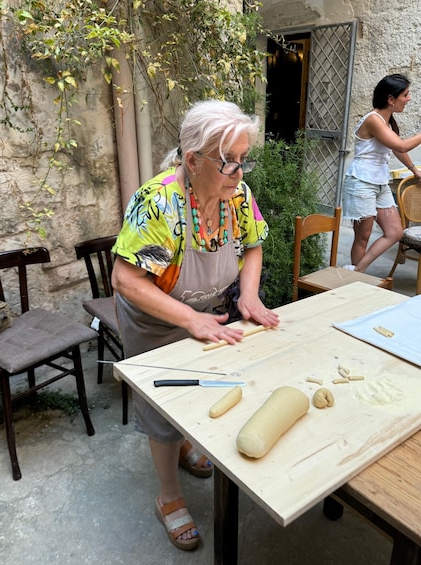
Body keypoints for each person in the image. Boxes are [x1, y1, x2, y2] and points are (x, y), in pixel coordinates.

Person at [111, 100, 279, 551]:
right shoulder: (159, 202)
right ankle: (168, 496)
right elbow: (126, 279)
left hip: (208, 313)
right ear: (192, 160)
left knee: (198, 390)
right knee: (162, 410)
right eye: (229, 162)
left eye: (244, 161)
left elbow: (254, 245)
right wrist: (190, 320)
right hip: (155, 320)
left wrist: (248, 295)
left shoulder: (236, 195)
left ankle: (186, 447)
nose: (239, 173)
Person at [342, 73, 421, 273]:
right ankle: (357, 281)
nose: (409, 98)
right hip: (361, 182)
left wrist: (414, 170)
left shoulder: (386, 122)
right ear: (391, 99)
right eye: (406, 94)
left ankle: (356, 271)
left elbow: (396, 149)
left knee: (394, 232)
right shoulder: (374, 120)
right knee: (363, 236)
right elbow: (401, 146)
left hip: (378, 183)